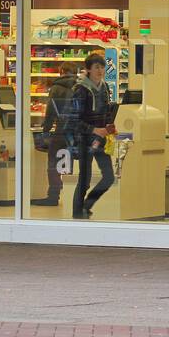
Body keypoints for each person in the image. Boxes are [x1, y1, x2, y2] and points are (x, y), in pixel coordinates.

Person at [70, 53, 115, 220]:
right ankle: (77, 213)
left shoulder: (104, 87)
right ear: (88, 69)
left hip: (100, 139)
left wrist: (109, 126)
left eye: (102, 67)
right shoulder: (80, 89)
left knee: (109, 177)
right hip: (84, 139)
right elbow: (74, 119)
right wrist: (94, 130)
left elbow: (107, 111)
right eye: (97, 67)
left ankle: (87, 205)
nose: (100, 70)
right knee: (84, 179)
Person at [31, 64, 77, 207]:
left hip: (62, 129)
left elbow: (51, 111)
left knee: (53, 162)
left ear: (61, 72)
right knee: (70, 161)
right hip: (77, 130)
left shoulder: (56, 88)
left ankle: (53, 196)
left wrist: (45, 129)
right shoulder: (81, 87)